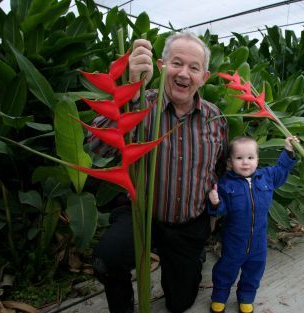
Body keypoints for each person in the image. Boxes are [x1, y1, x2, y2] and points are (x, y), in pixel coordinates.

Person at [89, 31, 228, 313]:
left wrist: (213, 207)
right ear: (162, 66)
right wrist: (130, 88)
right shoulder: (141, 104)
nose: (184, 74)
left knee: (181, 302)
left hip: (188, 223)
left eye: (194, 67)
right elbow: (96, 147)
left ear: (205, 76)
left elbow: (219, 167)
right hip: (142, 214)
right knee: (107, 259)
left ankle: (192, 258)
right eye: (177, 63)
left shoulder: (216, 119)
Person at [207, 135, 299, 313]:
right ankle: (219, 296)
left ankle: (246, 297)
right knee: (227, 268)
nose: (245, 163)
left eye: (250, 158)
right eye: (239, 158)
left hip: (258, 240)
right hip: (234, 240)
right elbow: (220, 211)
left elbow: (281, 169)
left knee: (254, 269)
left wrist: (288, 150)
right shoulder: (226, 183)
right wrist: (215, 202)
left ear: (257, 159)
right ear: (230, 161)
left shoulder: (267, 177)